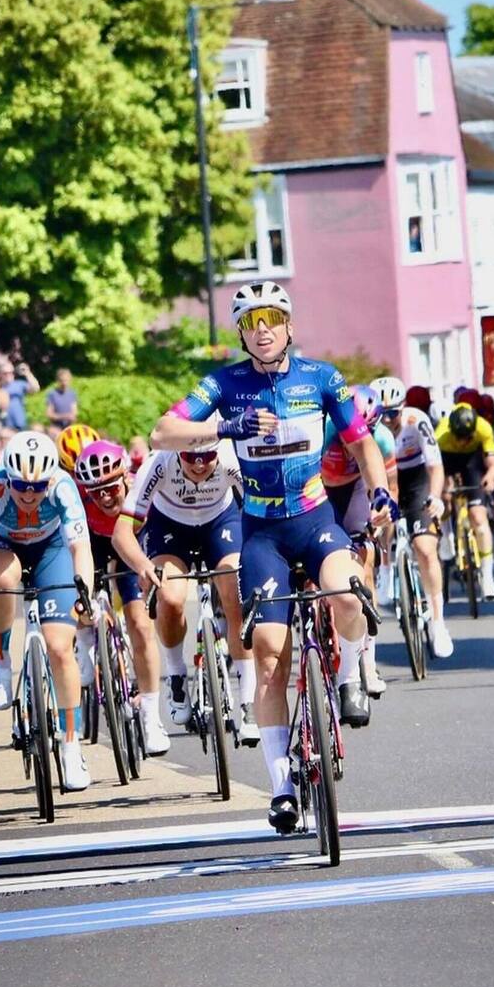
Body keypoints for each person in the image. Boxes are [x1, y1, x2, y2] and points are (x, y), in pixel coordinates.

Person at [149, 280, 396, 832]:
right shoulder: (225, 384)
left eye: (272, 319)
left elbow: (361, 442)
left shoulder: (321, 378)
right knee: (267, 655)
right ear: (241, 333)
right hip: (261, 532)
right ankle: (282, 786)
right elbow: (162, 432)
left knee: (348, 594)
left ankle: (349, 676)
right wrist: (223, 427)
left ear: (289, 327)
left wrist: (379, 491)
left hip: (315, 521)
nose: (263, 330)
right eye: (251, 322)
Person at [0, 431, 95, 790]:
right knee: (0, 580)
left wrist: (85, 595)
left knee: (60, 648)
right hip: (5, 549)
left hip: (52, 549)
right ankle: (1, 662)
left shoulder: (63, 487)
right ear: (8, 477)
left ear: (49, 479)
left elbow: (80, 548)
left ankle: (71, 746)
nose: (28, 494)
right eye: (21, 485)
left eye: (37, 487)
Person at [112, 437, 260, 746]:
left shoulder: (231, 458)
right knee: (170, 597)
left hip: (220, 521)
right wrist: (143, 566)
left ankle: (248, 703)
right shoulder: (158, 462)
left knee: (235, 589)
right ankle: (176, 673)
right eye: (190, 458)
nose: (199, 465)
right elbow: (121, 533)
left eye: (207, 458)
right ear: (177, 452)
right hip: (170, 528)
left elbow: (261, 509)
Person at [73, 439, 169, 755]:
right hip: (94, 548)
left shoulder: (142, 490)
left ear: (125, 477)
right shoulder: (79, 502)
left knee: (140, 624)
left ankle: (151, 717)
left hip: (131, 547)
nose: (104, 497)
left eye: (111, 488)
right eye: (95, 492)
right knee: (80, 596)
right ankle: (86, 643)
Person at [321, 384, 399, 697]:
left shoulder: (383, 439)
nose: (354, 439)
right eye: (349, 432)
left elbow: (390, 485)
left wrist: (383, 511)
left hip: (354, 490)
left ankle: (368, 661)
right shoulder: (325, 431)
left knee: (364, 562)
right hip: (320, 490)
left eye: (365, 431)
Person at [370, 375, 453, 657]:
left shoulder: (416, 421)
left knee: (425, 549)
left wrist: (436, 497)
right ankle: (385, 570)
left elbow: (435, 466)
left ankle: (438, 622)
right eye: (382, 414)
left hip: (417, 481)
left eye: (393, 413)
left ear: (403, 408)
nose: (387, 419)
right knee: (384, 521)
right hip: (385, 479)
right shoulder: (370, 427)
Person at [435, 402, 494, 599]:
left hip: (472, 462)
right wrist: (442, 488)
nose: (463, 441)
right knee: (445, 498)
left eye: (468, 437)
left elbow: (493, 465)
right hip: (446, 459)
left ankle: (487, 578)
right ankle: (446, 535)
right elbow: (434, 469)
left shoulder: (483, 428)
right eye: (460, 437)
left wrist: (490, 478)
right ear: (452, 431)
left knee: (479, 517)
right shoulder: (441, 434)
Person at [0, 361, 39, 432]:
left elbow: (35, 389)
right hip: (5, 426)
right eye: (5, 373)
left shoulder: (19, 384)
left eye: (11, 372)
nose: (9, 375)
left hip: (21, 424)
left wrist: (27, 373)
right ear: (0, 374)